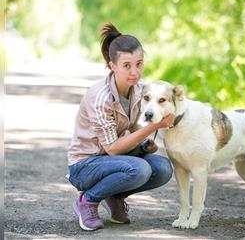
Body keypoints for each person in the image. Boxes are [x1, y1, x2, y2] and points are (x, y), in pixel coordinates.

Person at [67, 22, 175, 231]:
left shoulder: (140, 89)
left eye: (139, 63)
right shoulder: (100, 97)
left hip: (111, 161)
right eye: (127, 65)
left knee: (162, 168)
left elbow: (133, 127)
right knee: (140, 169)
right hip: (85, 165)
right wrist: (154, 127)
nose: (135, 72)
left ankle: (115, 196)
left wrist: (144, 143)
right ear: (112, 65)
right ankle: (87, 201)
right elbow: (114, 149)